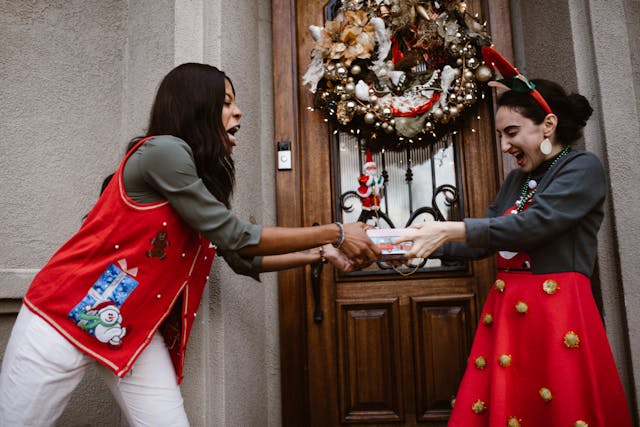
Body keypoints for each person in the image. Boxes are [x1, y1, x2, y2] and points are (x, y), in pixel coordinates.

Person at [0, 63, 380, 427]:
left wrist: (322, 253)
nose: (239, 113)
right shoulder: (164, 151)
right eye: (227, 102)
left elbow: (242, 257)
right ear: (198, 106)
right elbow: (236, 235)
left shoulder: (197, 184)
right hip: (63, 313)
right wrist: (336, 232)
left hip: (133, 327)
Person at [396, 47, 633, 427]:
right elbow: (487, 238)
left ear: (548, 125)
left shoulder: (582, 167)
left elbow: (534, 225)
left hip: (557, 312)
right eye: (501, 134)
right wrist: (415, 243)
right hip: (507, 310)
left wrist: (450, 229)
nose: (505, 146)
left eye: (511, 133)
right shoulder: (516, 179)